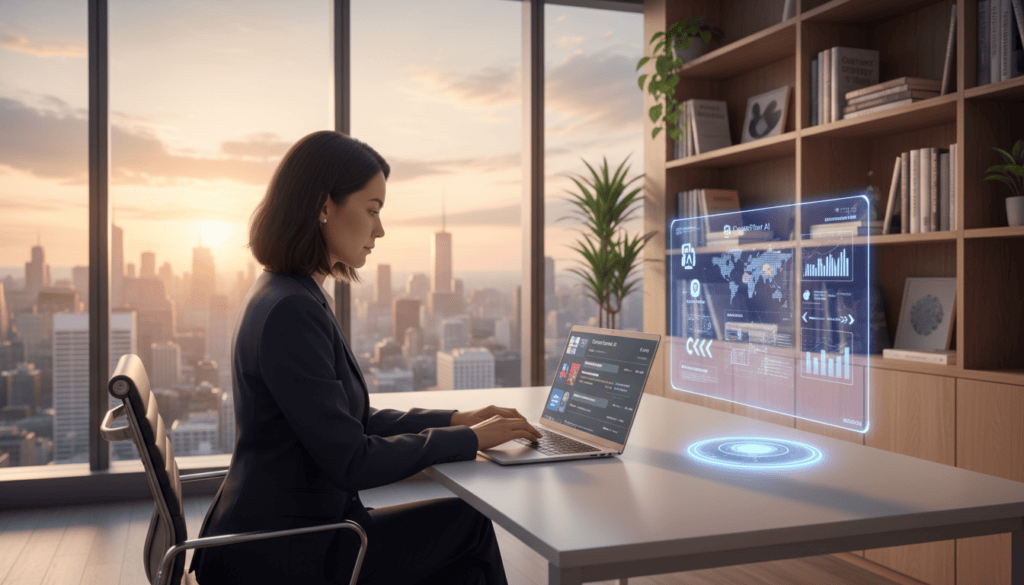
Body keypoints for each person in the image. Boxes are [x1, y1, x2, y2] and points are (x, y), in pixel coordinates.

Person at [189, 130, 542, 585]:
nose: (379, 229)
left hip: (291, 533)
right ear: (324, 207)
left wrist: (459, 420)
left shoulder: (287, 292)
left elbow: (349, 421)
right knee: (467, 528)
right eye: (372, 210)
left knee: (459, 527)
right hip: (285, 554)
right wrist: (471, 440)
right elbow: (352, 459)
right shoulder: (291, 310)